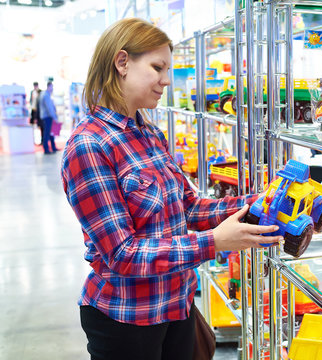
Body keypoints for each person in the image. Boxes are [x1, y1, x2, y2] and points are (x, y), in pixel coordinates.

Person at [61, 18, 281, 360]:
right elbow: (122, 254)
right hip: (127, 320)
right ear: (122, 63)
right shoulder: (89, 145)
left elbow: (189, 207)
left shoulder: (149, 133)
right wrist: (214, 243)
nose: (166, 80)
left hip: (177, 305)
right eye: (157, 67)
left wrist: (264, 199)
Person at [39, 81, 58, 154]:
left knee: (51, 133)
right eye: (52, 86)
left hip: (47, 117)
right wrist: (54, 117)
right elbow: (49, 108)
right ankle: (46, 149)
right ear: (49, 86)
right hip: (47, 117)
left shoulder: (46, 94)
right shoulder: (46, 95)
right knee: (47, 133)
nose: (52, 88)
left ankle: (53, 147)